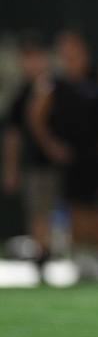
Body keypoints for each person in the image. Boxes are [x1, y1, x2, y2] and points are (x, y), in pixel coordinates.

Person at [28, 25, 98, 279]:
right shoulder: (54, 83)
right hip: (73, 156)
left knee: (97, 209)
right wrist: (51, 145)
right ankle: (80, 260)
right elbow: (35, 116)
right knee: (76, 208)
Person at [1, 30, 57, 265]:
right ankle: (42, 256)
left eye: (33, 56)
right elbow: (12, 135)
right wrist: (10, 169)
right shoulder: (21, 93)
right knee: (38, 212)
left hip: (64, 161)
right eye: (25, 57)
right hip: (36, 163)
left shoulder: (57, 85)